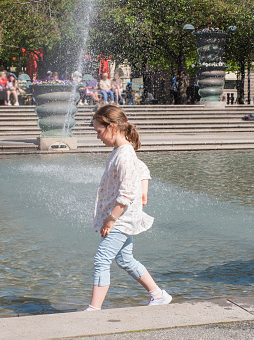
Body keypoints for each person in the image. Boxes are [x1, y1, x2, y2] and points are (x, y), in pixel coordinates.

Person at [87, 105, 172, 311]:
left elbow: (126, 194)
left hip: (121, 218)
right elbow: (141, 168)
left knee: (102, 259)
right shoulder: (121, 151)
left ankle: (94, 310)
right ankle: (158, 295)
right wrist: (144, 190)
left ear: (112, 127)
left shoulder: (124, 154)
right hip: (124, 216)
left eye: (99, 132)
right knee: (125, 259)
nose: (98, 137)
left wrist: (111, 219)